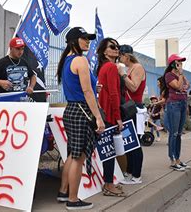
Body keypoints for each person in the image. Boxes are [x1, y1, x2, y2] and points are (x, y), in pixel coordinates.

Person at [56, 27, 105, 210]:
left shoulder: (68, 61)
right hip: (82, 111)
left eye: (88, 39)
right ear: (74, 41)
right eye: (84, 38)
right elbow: (86, 92)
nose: (87, 41)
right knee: (78, 157)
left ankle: (63, 192)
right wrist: (98, 117)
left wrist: (94, 89)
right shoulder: (80, 60)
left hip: (71, 110)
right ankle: (73, 199)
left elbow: (81, 87)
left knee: (72, 154)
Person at [96, 38, 125, 196]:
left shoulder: (102, 67)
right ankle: (108, 184)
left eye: (117, 47)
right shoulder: (111, 67)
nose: (116, 49)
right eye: (112, 47)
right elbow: (114, 94)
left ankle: (108, 182)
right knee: (109, 150)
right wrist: (118, 117)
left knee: (108, 149)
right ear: (105, 51)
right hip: (109, 114)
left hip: (103, 112)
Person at [117, 44, 145, 184]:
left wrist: (122, 74)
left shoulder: (137, 68)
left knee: (135, 142)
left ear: (126, 56)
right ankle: (129, 171)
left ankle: (137, 175)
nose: (119, 58)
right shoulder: (130, 69)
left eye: (120, 55)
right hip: (127, 108)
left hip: (134, 108)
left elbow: (134, 87)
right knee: (128, 141)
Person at [163, 54, 190, 171]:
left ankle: (178, 159)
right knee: (173, 133)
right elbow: (179, 87)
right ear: (173, 63)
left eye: (181, 62)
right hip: (174, 105)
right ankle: (172, 159)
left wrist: (181, 76)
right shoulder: (169, 75)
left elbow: (187, 85)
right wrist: (180, 76)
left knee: (179, 133)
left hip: (183, 103)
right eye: (178, 62)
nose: (181, 64)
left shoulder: (180, 75)